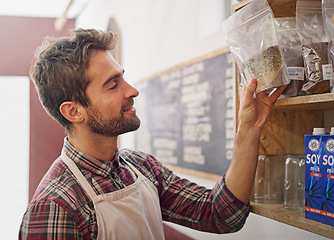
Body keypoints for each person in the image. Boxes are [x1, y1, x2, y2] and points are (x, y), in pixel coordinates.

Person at [19, 29, 285, 239]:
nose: (132, 90)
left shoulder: (142, 167)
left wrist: (249, 127)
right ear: (74, 112)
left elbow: (221, 214)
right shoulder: (56, 206)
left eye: (123, 78)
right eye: (113, 85)